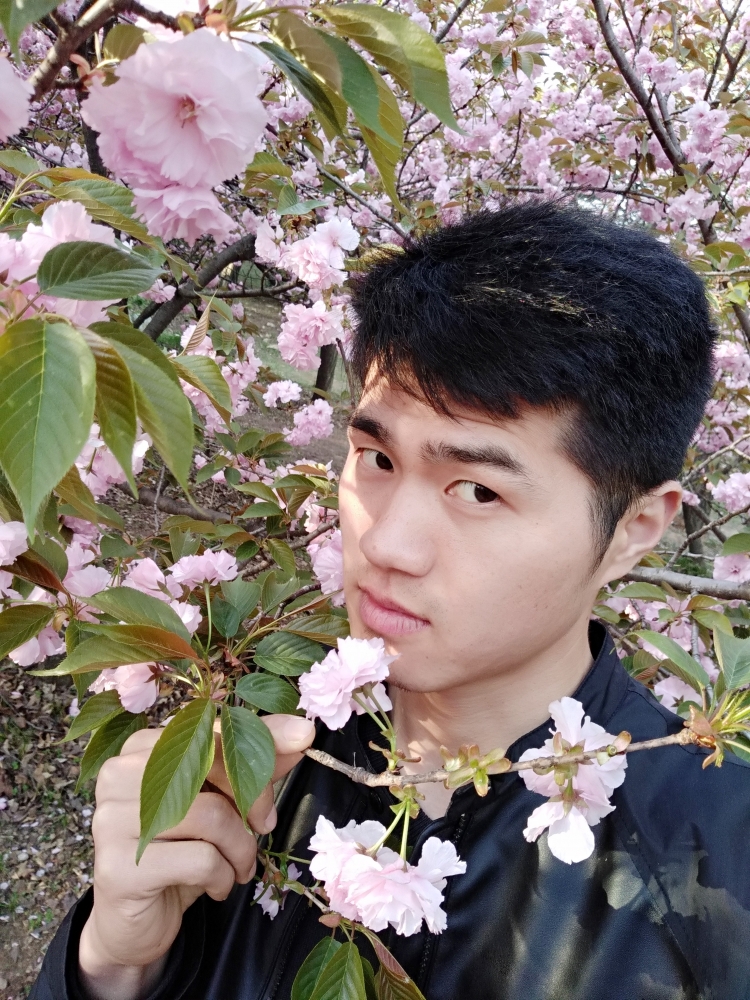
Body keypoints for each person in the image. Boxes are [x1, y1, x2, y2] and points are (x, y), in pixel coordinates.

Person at [32, 202, 750, 1000]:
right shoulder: (257, 756)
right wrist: (114, 966)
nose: (385, 544)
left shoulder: (719, 874)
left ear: (633, 531)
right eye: (375, 457)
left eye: (477, 490)